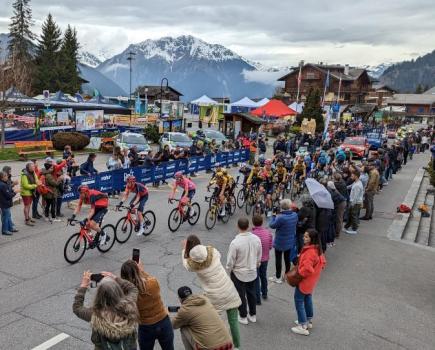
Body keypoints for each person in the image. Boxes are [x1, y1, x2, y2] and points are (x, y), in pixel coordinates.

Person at [182, 235, 242, 349]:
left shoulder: (193, 265)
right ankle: (238, 347)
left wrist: (184, 250)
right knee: (233, 320)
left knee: (216, 324)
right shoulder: (212, 251)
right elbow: (216, 253)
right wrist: (202, 249)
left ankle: (218, 345)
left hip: (214, 297)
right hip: (228, 290)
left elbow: (186, 264)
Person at [73, 270, 139, 350]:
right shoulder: (129, 307)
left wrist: (83, 285)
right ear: (118, 291)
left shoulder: (95, 315)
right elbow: (133, 289)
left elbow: (77, 308)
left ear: (99, 295)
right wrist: (114, 277)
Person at [121, 260, 174, 350]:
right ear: (138, 271)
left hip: (146, 326)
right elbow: (149, 279)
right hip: (163, 321)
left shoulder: (127, 293)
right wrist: (141, 271)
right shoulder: (152, 283)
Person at [226, 217, 262, 325]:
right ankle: (253, 314)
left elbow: (230, 261)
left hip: (239, 272)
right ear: (248, 226)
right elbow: (259, 255)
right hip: (252, 270)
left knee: (240, 295)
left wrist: (229, 270)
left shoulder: (235, 243)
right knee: (251, 293)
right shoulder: (256, 239)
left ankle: (243, 315)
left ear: (238, 226)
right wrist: (256, 264)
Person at [291, 229, 326, 336]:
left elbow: (307, 269)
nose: (303, 238)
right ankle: (308, 320)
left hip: (304, 281)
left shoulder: (309, 252)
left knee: (299, 301)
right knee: (308, 299)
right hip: (312, 281)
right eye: (304, 236)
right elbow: (323, 262)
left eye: (306, 237)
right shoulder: (317, 249)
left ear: (312, 239)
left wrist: (298, 274)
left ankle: (302, 325)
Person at [269, 199, 298, 283]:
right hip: (290, 241)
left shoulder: (281, 218)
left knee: (278, 259)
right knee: (287, 258)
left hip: (280, 242)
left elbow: (272, 225)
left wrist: (274, 216)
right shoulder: (295, 215)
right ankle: (287, 274)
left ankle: (278, 277)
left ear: (282, 207)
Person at [251, 215, 273, 304]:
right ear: (262, 222)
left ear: (253, 223)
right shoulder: (268, 233)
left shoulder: (252, 234)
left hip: (255, 260)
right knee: (263, 276)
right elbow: (270, 246)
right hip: (265, 258)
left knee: (256, 278)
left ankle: (257, 299)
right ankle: (265, 293)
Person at [20, 161, 39, 226]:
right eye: (32, 166)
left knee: (29, 206)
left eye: (34, 166)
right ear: (28, 167)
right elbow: (25, 185)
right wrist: (35, 186)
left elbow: (36, 179)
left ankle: (28, 217)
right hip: (26, 193)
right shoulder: (24, 174)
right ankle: (27, 220)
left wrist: (38, 182)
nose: (34, 167)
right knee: (27, 206)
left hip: (31, 192)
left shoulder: (32, 172)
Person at [345, 169, 364, 235]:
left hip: (355, 203)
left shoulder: (357, 186)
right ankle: (347, 226)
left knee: (353, 216)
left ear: (356, 176)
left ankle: (354, 229)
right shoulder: (356, 182)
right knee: (350, 215)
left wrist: (352, 204)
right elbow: (350, 186)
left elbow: (356, 197)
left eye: (352, 176)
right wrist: (344, 187)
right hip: (354, 202)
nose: (351, 177)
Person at [0, 171, 18, 236]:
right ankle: (5, 230)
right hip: (4, 204)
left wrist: (12, 190)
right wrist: (15, 192)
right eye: (6, 176)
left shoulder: (4, 183)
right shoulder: (2, 185)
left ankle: (10, 228)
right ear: (2, 177)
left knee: (8, 216)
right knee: (5, 217)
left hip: (6, 203)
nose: (7, 177)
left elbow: (9, 190)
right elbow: (8, 196)